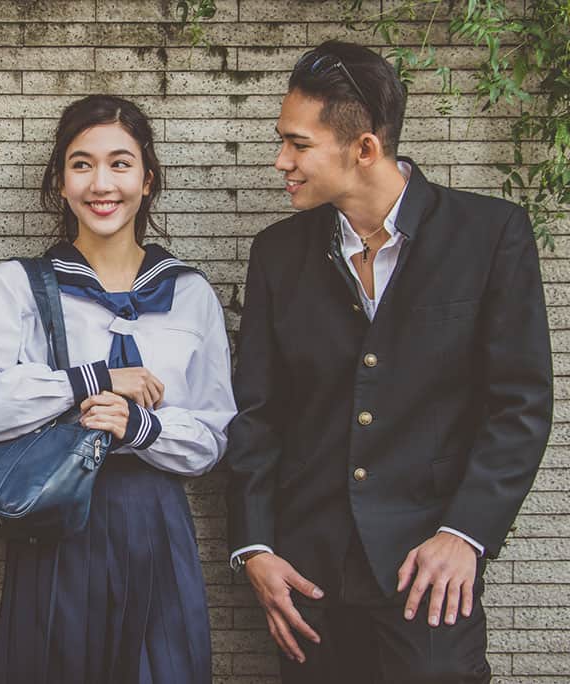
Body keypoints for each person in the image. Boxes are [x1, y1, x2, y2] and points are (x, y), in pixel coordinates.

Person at [224, 40, 553, 683]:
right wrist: (256, 547)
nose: (280, 161)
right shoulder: (276, 253)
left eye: (298, 144)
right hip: (308, 574)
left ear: (365, 149)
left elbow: (521, 405)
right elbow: (257, 412)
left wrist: (466, 534)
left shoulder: (492, 235)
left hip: (427, 569)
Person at [0, 94, 237, 683]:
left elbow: (212, 436)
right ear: (59, 180)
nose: (102, 183)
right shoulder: (15, 287)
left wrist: (141, 425)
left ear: (148, 178)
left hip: (155, 520)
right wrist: (90, 380)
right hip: (56, 520)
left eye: (120, 163)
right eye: (81, 164)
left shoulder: (190, 293)